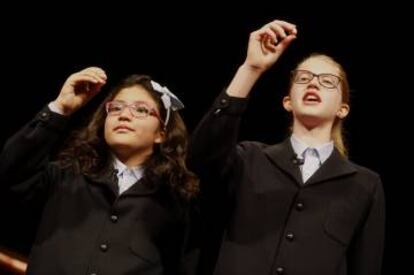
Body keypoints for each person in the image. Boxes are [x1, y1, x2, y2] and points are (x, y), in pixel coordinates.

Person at [188, 19, 385, 275]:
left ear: (343, 108)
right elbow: (199, 159)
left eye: (327, 81)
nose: (313, 84)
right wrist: (250, 69)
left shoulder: (365, 184)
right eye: (303, 78)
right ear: (287, 102)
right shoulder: (250, 158)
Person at [0, 67, 199, 275]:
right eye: (115, 108)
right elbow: (10, 172)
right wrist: (60, 108)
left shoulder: (175, 200)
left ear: (161, 133)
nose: (124, 115)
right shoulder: (67, 175)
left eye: (140, 110)